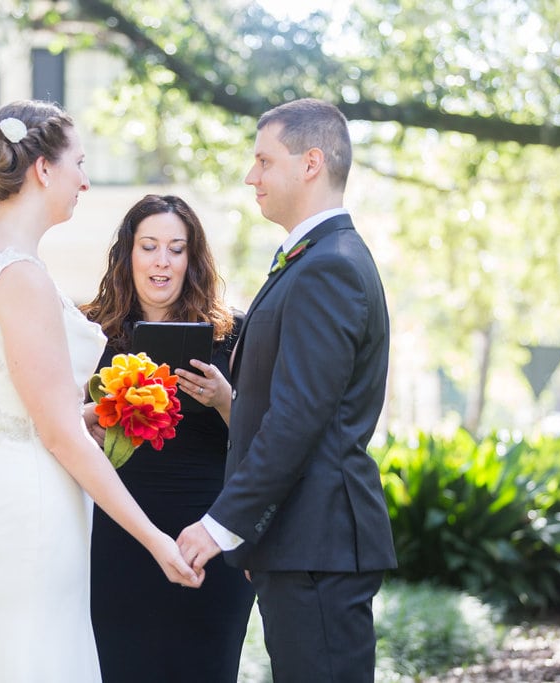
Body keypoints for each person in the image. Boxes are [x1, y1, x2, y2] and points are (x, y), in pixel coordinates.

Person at [0, 102, 199, 683]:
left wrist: (96, 413)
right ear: (43, 170)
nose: (85, 181)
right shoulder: (20, 275)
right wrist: (154, 539)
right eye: (79, 164)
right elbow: (58, 434)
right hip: (31, 516)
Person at [177, 98, 398, 683]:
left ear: (310, 163)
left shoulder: (330, 266)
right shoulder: (313, 258)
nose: (252, 176)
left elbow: (298, 418)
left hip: (318, 547)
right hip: (299, 546)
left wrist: (223, 525)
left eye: (264, 160)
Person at [80, 194, 254, 683]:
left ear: (192, 259)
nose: (162, 261)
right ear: (127, 254)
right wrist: (93, 419)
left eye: (176, 249)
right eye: (149, 246)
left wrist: (224, 399)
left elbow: (264, 440)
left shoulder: (232, 332)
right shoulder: (91, 332)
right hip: (117, 537)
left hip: (209, 537)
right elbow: (63, 430)